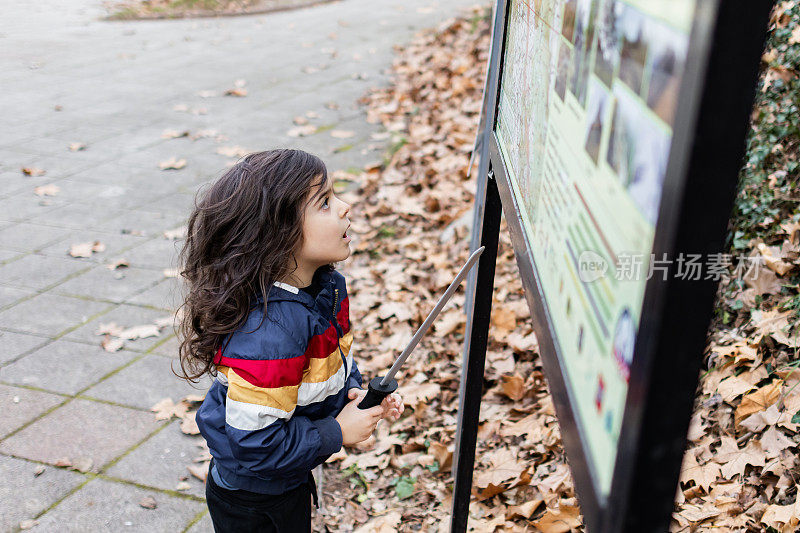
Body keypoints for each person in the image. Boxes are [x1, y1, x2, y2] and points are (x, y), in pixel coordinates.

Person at [176, 149, 404, 532]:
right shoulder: (270, 332)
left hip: (287, 476)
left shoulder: (326, 288)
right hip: (254, 500)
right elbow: (257, 444)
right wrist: (338, 431)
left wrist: (354, 395)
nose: (346, 207)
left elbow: (330, 360)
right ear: (278, 234)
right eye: (326, 202)